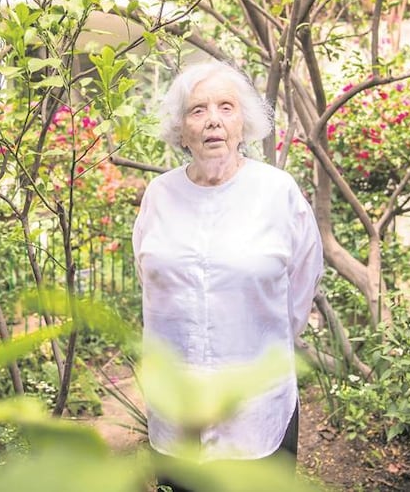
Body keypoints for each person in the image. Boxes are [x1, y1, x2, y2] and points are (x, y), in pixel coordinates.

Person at [133, 60, 325, 491]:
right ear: (181, 130)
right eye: (198, 110)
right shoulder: (159, 195)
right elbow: (151, 277)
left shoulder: (278, 193)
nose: (213, 121)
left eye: (226, 108)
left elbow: (302, 283)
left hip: (256, 409)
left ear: (244, 124)